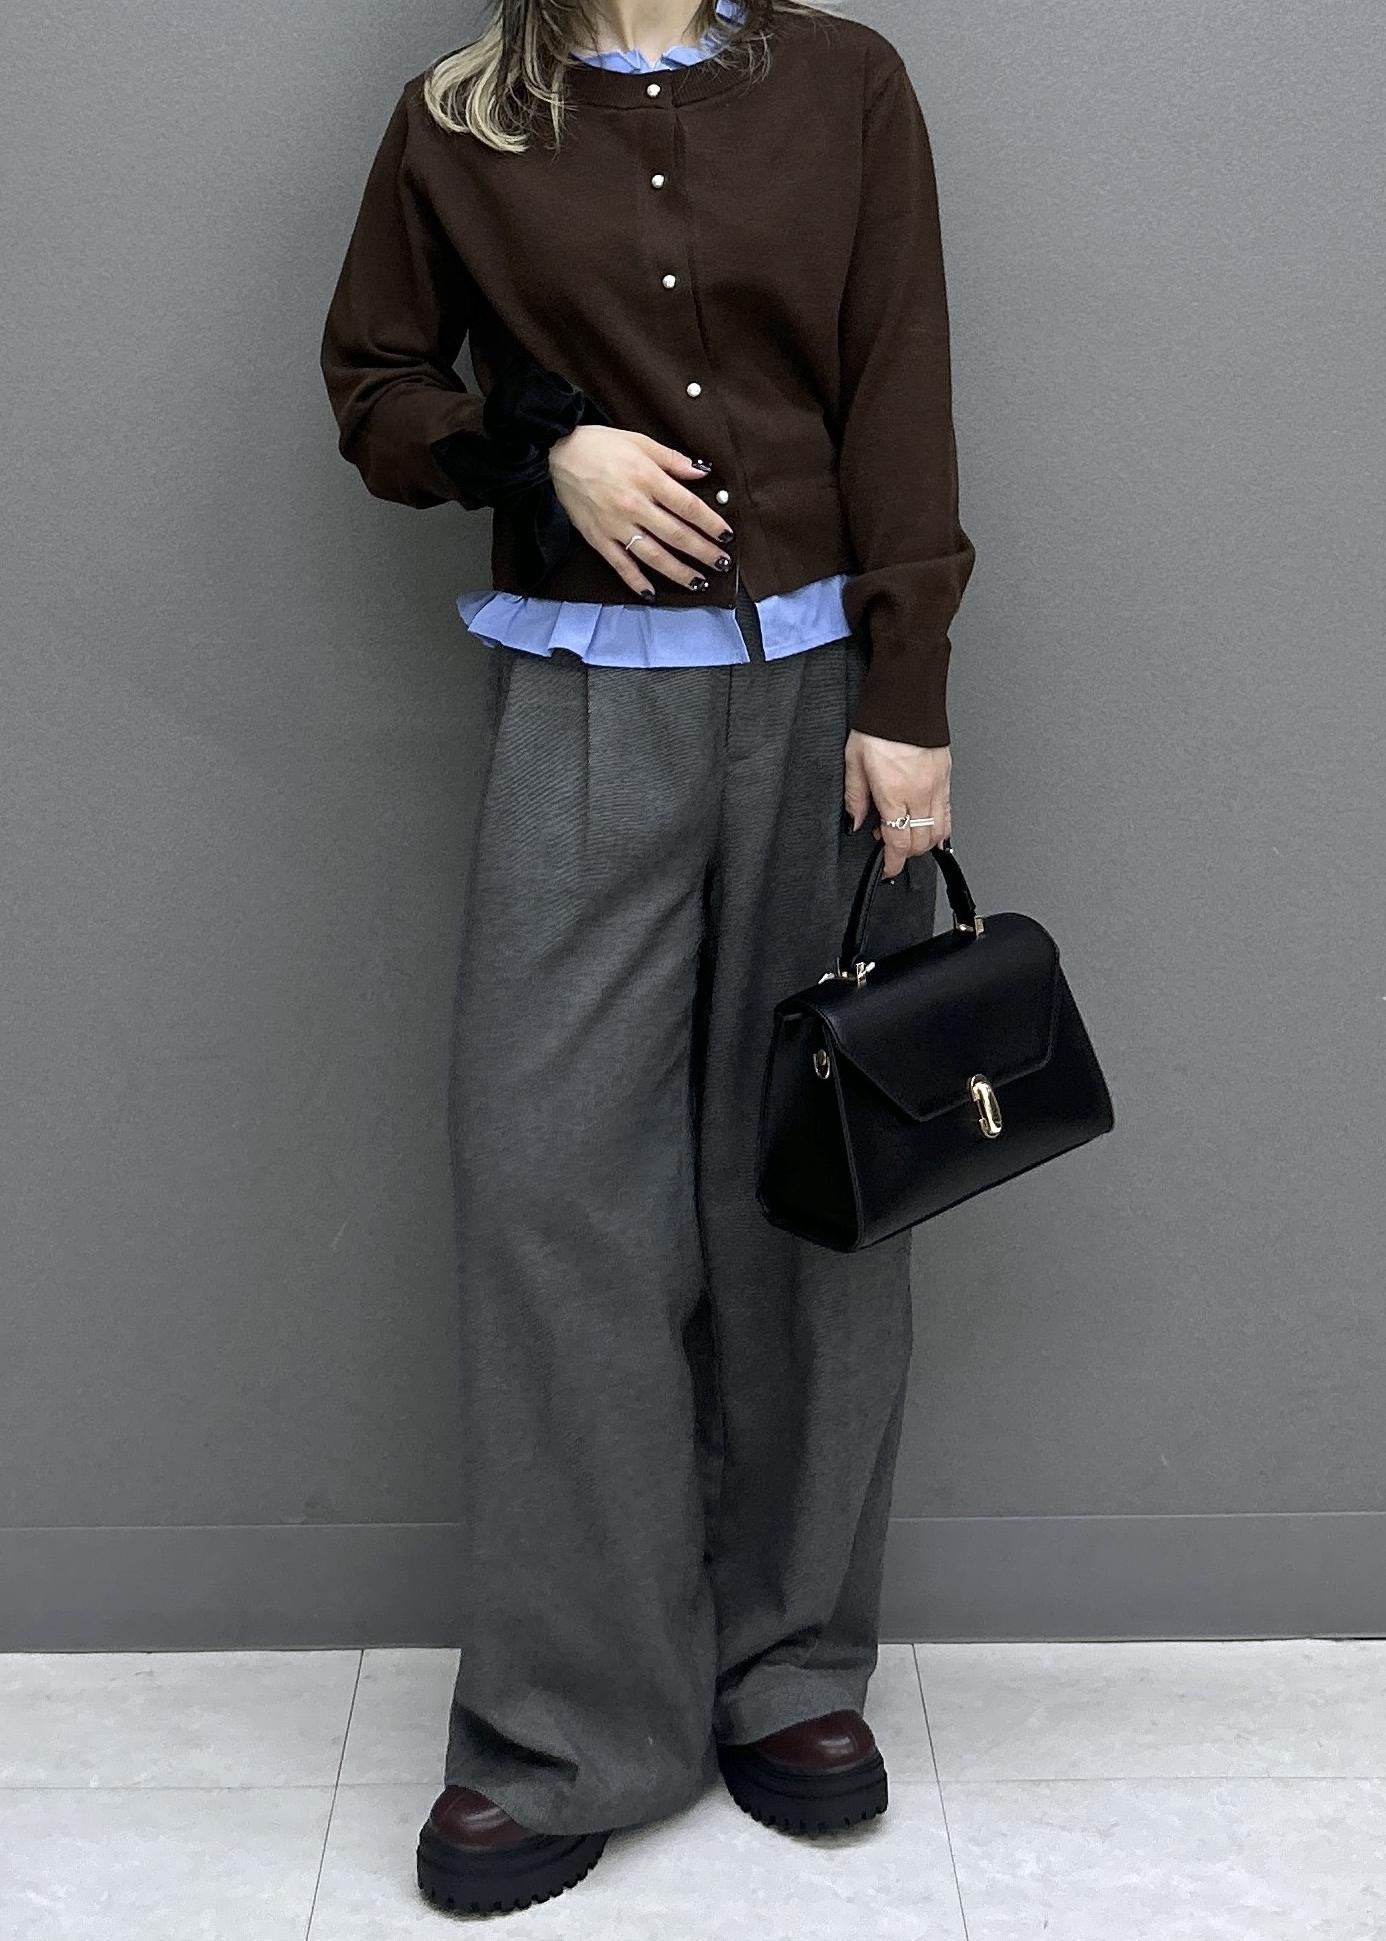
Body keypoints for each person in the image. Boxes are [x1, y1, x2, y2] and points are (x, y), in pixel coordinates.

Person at [319, 0, 975, 1916]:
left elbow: (898, 379)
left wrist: (909, 691)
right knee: (551, 1192)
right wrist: (544, 453)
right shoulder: (458, 118)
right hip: (580, 699)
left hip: (821, 710)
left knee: (813, 1184)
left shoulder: (844, 84)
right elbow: (373, 387)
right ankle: (569, 1721)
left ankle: (789, 1667)